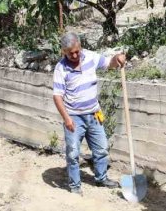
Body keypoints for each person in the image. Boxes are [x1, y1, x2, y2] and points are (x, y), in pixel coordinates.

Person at [52, 32, 127, 195]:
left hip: (94, 114)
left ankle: (101, 178)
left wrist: (117, 58)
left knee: (101, 149)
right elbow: (57, 96)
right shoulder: (60, 68)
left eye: (76, 51)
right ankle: (75, 186)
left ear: (80, 46)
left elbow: (109, 63)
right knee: (73, 153)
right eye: (70, 53)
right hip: (74, 117)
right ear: (64, 52)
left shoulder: (91, 57)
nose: (74, 55)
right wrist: (67, 119)